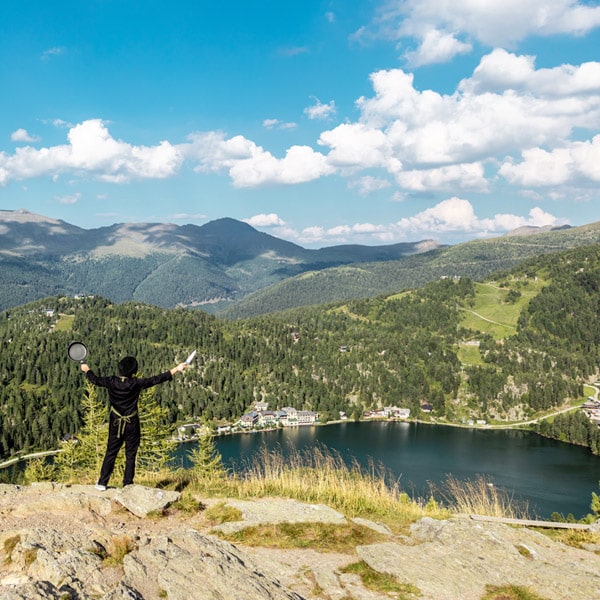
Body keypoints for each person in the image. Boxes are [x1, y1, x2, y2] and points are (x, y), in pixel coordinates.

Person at [81, 355, 188, 490]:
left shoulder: (111, 381)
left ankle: (102, 482)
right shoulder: (136, 383)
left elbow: (95, 380)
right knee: (130, 454)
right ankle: (127, 483)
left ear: (119, 368)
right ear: (134, 371)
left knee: (111, 452)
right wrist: (177, 369)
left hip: (116, 423)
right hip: (132, 422)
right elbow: (156, 379)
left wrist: (87, 370)